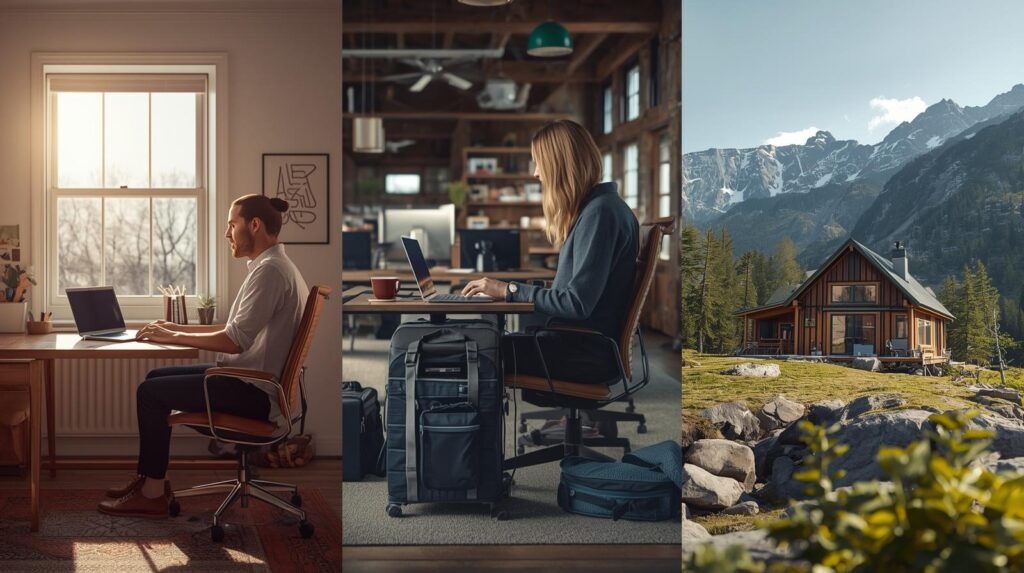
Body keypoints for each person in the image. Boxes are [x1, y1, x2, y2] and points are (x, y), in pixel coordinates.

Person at [98, 194, 308, 518]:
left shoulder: (271, 273)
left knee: (149, 393)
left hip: (254, 393)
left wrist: (173, 336)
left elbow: (235, 341)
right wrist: (175, 327)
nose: (227, 234)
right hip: (254, 384)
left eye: (231, 224)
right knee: (154, 380)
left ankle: (152, 492)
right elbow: (236, 328)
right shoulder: (274, 267)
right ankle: (149, 481)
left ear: (254, 225)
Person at [461, 119, 639, 386]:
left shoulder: (600, 214)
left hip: (585, 354)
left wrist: (508, 289)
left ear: (559, 164)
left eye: (539, 162)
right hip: (579, 344)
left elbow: (576, 304)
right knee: (478, 342)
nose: (535, 173)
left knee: (472, 351)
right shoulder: (600, 208)